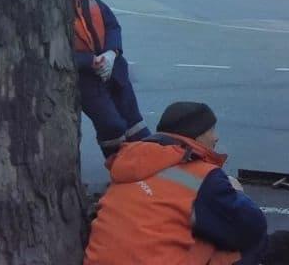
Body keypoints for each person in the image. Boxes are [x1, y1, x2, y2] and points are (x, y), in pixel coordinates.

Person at [85, 102, 268, 265]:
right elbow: (252, 225)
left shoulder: (129, 161)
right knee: (250, 239)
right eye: (211, 130)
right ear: (196, 136)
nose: (216, 137)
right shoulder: (203, 177)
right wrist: (238, 193)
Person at [72, 0, 150, 159]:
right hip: (87, 79)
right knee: (111, 125)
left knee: (134, 123)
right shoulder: (51, 5)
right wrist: (89, 61)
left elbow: (112, 25)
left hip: (114, 69)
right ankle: (120, 168)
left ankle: (148, 164)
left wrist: (111, 53)